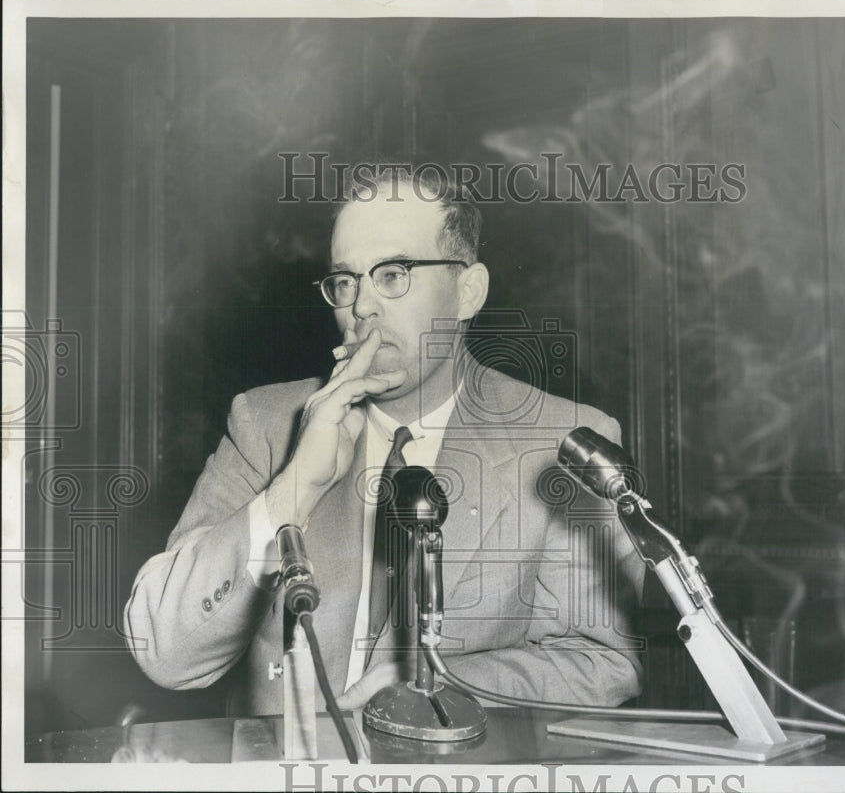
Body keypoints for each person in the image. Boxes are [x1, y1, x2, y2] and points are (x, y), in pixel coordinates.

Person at [124, 167, 644, 716]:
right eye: (346, 282)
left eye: (393, 273)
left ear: (468, 291)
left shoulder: (560, 443)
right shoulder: (266, 423)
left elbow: (602, 664)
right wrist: (297, 486)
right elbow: (164, 652)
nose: (361, 307)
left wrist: (433, 682)